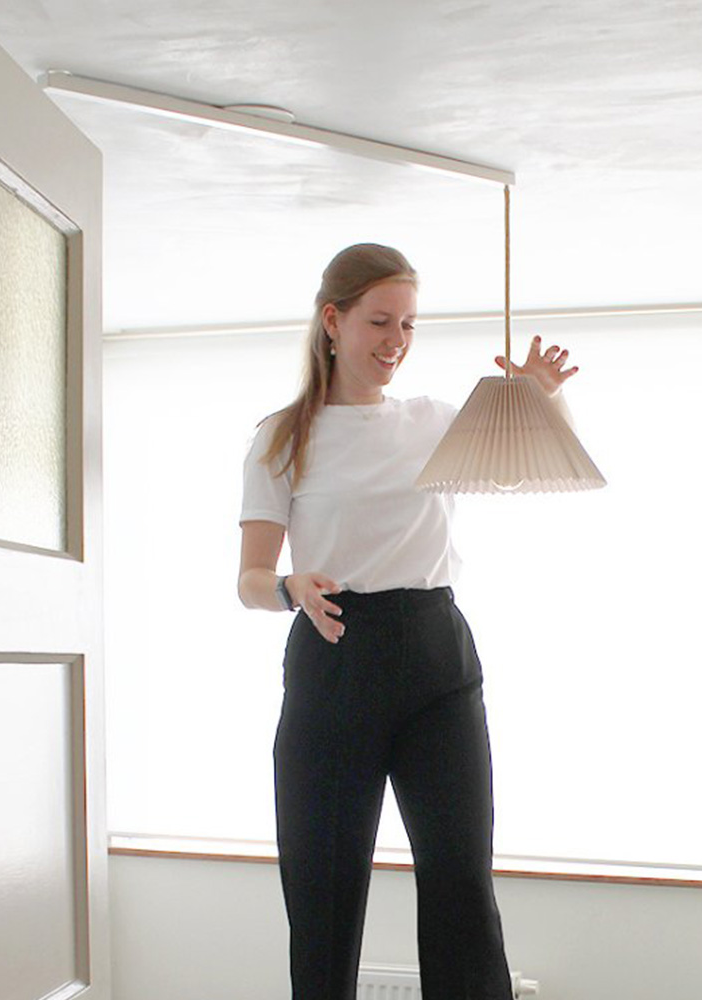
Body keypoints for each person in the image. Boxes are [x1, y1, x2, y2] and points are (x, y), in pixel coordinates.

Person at [238, 244, 578, 1000]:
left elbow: (526, 466)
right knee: (322, 899)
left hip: (435, 657)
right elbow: (250, 581)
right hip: (332, 654)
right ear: (333, 321)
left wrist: (543, 397)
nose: (396, 340)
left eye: (410, 325)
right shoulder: (281, 436)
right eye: (380, 321)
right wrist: (290, 586)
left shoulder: (434, 421)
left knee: (461, 887)